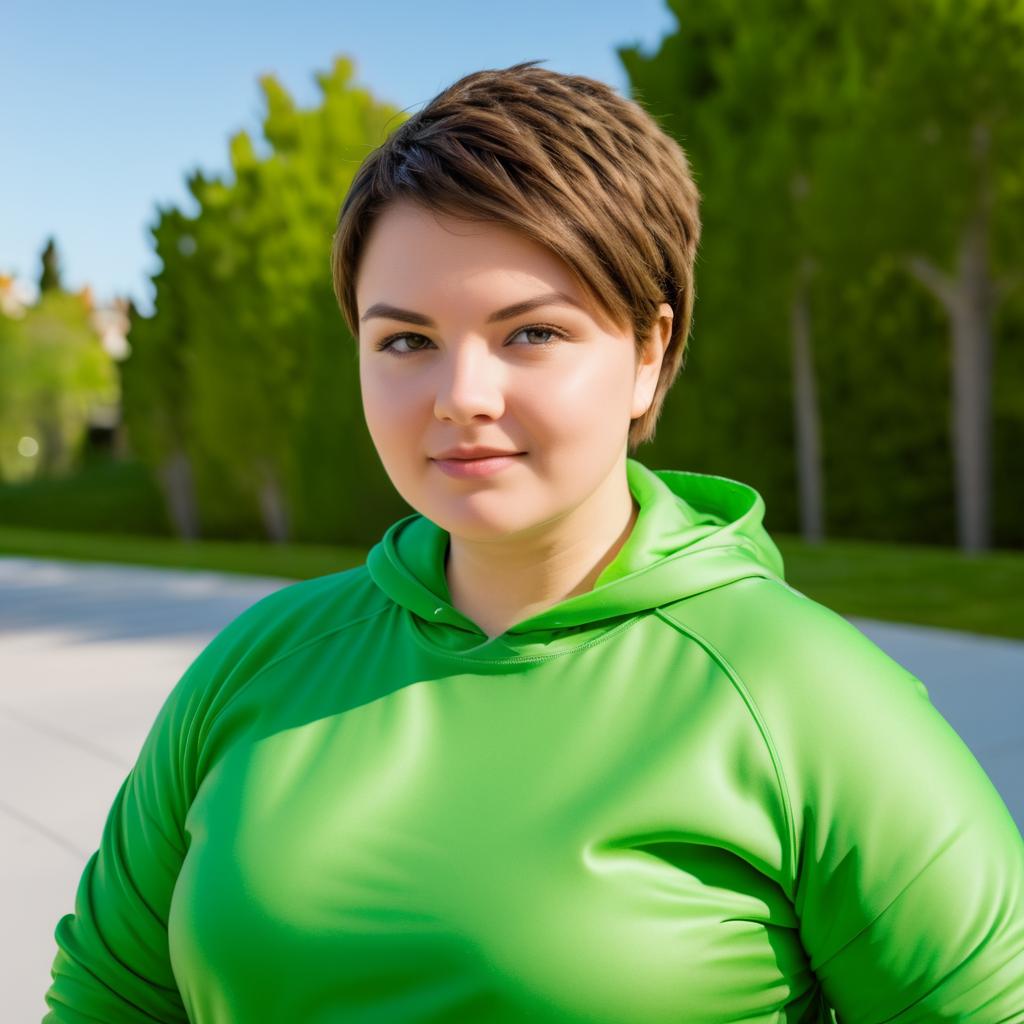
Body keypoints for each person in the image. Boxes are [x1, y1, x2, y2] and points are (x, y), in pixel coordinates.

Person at [45, 61, 1024, 1023]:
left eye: (531, 333)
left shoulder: (804, 699)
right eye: (404, 340)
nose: (461, 394)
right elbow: (111, 999)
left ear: (649, 352)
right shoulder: (254, 667)